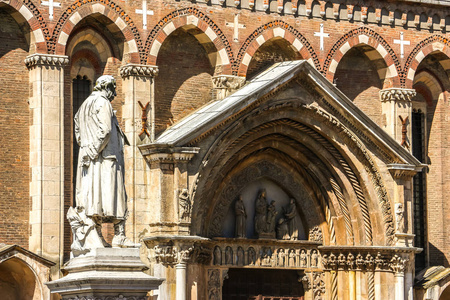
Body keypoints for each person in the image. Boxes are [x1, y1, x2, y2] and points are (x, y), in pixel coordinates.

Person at [73, 75, 136, 250]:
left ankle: (97, 234)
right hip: (106, 157)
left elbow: (77, 130)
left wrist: (87, 148)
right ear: (106, 87)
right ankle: (119, 235)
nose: (114, 94)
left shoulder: (84, 105)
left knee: (94, 196)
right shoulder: (103, 103)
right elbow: (106, 130)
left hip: (89, 158)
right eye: (113, 89)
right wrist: (95, 149)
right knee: (114, 195)